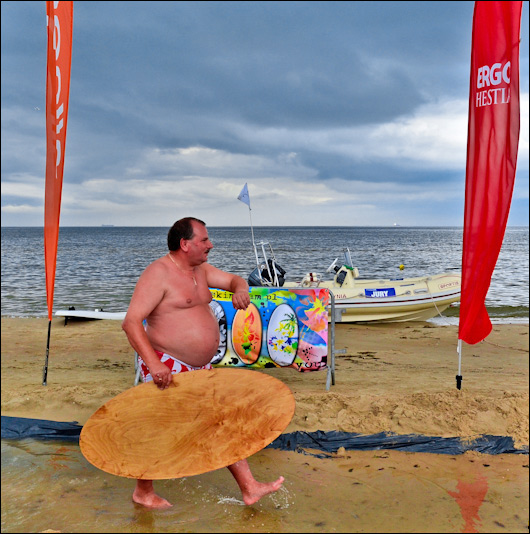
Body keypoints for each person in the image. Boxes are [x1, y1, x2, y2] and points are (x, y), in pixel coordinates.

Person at [122, 217, 284, 509]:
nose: (211, 245)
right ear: (185, 244)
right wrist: (154, 365)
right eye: (204, 240)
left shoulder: (201, 270)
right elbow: (132, 323)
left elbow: (234, 279)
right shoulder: (158, 274)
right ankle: (143, 492)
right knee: (160, 428)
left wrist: (241, 290)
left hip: (199, 367)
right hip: (166, 362)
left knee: (217, 419)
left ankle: (249, 487)